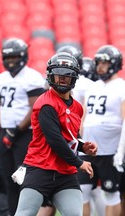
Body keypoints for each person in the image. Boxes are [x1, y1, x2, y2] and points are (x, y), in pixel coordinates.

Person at [14, 52, 97, 216]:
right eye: (58, 75)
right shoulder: (46, 103)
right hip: (40, 168)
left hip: (65, 173)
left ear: (74, 77)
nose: (62, 79)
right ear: (51, 76)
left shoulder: (78, 107)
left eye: (67, 75)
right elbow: (55, 140)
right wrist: (79, 162)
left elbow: (68, 138)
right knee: (24, 214)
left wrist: (82, 146)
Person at [0, 38, 46, 215]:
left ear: (23, 57)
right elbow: (0, 108)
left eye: (14, 57)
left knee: (25, 182)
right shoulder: (2, 78)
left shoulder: (32, 77)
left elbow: (35, 109)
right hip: (6, 133)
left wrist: (18, 130)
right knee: (9, 182)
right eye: (7, 57)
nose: (10, 61)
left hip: (25, 135)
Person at [57, 46, 105, 216]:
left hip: (74, 134)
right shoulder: (89, 84)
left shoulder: (86, 85)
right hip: (77, 134)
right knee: (92, 189)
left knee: (85, 189)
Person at [78, 45, 125, 216]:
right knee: (80, 192)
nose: (100, 67)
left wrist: (121, 151)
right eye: (98, 63)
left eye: (104, 63)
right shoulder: (92, 87)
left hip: (110, 150)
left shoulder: (121, 87)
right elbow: (83, 116)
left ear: (115, 64)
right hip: (88, 149)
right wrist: (80, 141)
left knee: (111, 193)